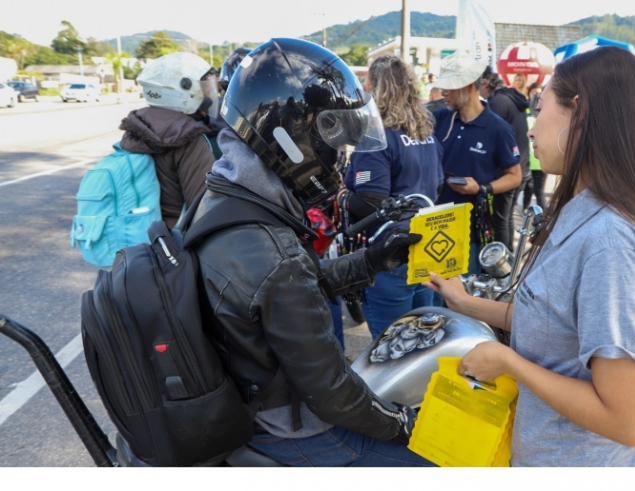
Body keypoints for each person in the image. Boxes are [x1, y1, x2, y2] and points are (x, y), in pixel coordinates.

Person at [425, 46, 635, 467]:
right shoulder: (581, 210)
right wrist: (465, 302)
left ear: (578, 113)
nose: (532, 129)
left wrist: (509, 361)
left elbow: (628, 420)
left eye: (540, 109)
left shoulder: (610, 242)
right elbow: (553, 321)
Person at [196, 38, 434, 467]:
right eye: (332, 140)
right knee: (442, 455)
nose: (339, 157)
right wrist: (406, 423)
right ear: (290, 140)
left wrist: (373, 260)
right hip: (289, 425)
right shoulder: (270, 252)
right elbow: (333, 395)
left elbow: (295, 287)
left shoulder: (223, 197)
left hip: (250, 396)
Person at [343, 55, 443, 339]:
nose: (362, 86)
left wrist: (341, 196)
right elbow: (436, 184)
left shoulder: (377, 137)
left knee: (391, 352)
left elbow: (372, 202)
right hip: (426, 250)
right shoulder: (426, 132)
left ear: (378, 87)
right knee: (424, 345)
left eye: (367, 81)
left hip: (391, 256)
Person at [431, 51, 522, 274]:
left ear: (469, 87)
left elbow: (515, 176)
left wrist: (482, 189)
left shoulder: (498, 129)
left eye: (450, 87)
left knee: (461, 299)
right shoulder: (440, 118)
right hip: (433, 225)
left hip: (470, 232)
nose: (444, 93)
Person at [120, 52, 219, 227]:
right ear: (183, 91)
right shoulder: (189, 138)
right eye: (204, 88)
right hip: (175, 241)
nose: (209, 97)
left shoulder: (137, 127)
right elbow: (206, 208)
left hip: (142, 237)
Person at [480, 66, 531, 251]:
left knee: (500, 218)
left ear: (484, 83)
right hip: (522, 167)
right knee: (506, 216)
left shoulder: (498, 102)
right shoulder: (510, 97)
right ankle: (506, 257)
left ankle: (501, 262)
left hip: (509, 171)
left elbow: (491, 139)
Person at [522, 82, 548, 212]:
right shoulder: (524, 111)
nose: (536, 96)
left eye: (539, 93)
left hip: (540, 160)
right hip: (527, 160)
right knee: (528, 189)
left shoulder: (546, 113)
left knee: (539, 192)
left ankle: (543, 220)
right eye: (533, 93)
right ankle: (525, 210)